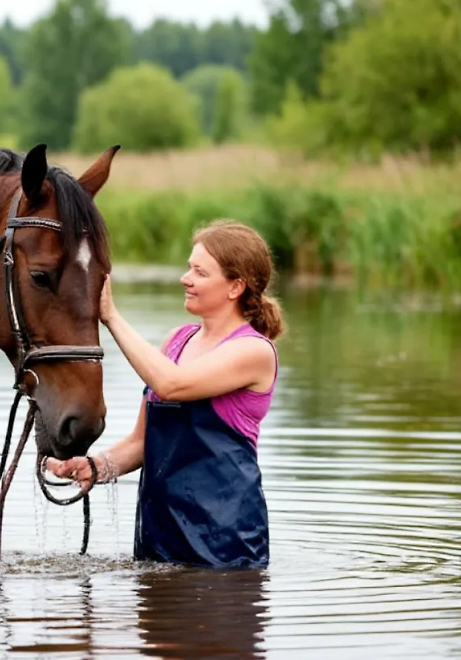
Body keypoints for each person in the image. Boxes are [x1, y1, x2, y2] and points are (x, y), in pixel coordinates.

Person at [47, 219, 285, 568]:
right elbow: (142, 441)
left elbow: (172, 384)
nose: (185, 279)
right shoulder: (176, 341)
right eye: (189, 268)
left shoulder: (254, 351)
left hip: (224, 543)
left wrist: (111, 317)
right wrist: (95, 467)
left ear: (235, 287)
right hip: (159, 533)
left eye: (200, 272)